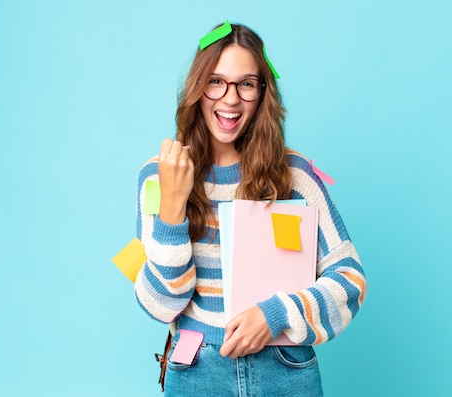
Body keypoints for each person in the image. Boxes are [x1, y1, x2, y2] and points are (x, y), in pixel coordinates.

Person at [134, 22, 366, 396]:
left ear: (262, 92)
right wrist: (174, 208)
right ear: (197, 88)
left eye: (245, 83)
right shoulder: (158, 178)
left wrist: (275, 315)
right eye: (216, 81)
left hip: (286, 368)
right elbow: (161, 304)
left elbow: (350, 279)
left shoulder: (297, 174)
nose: (230, 99)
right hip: (196, 370)